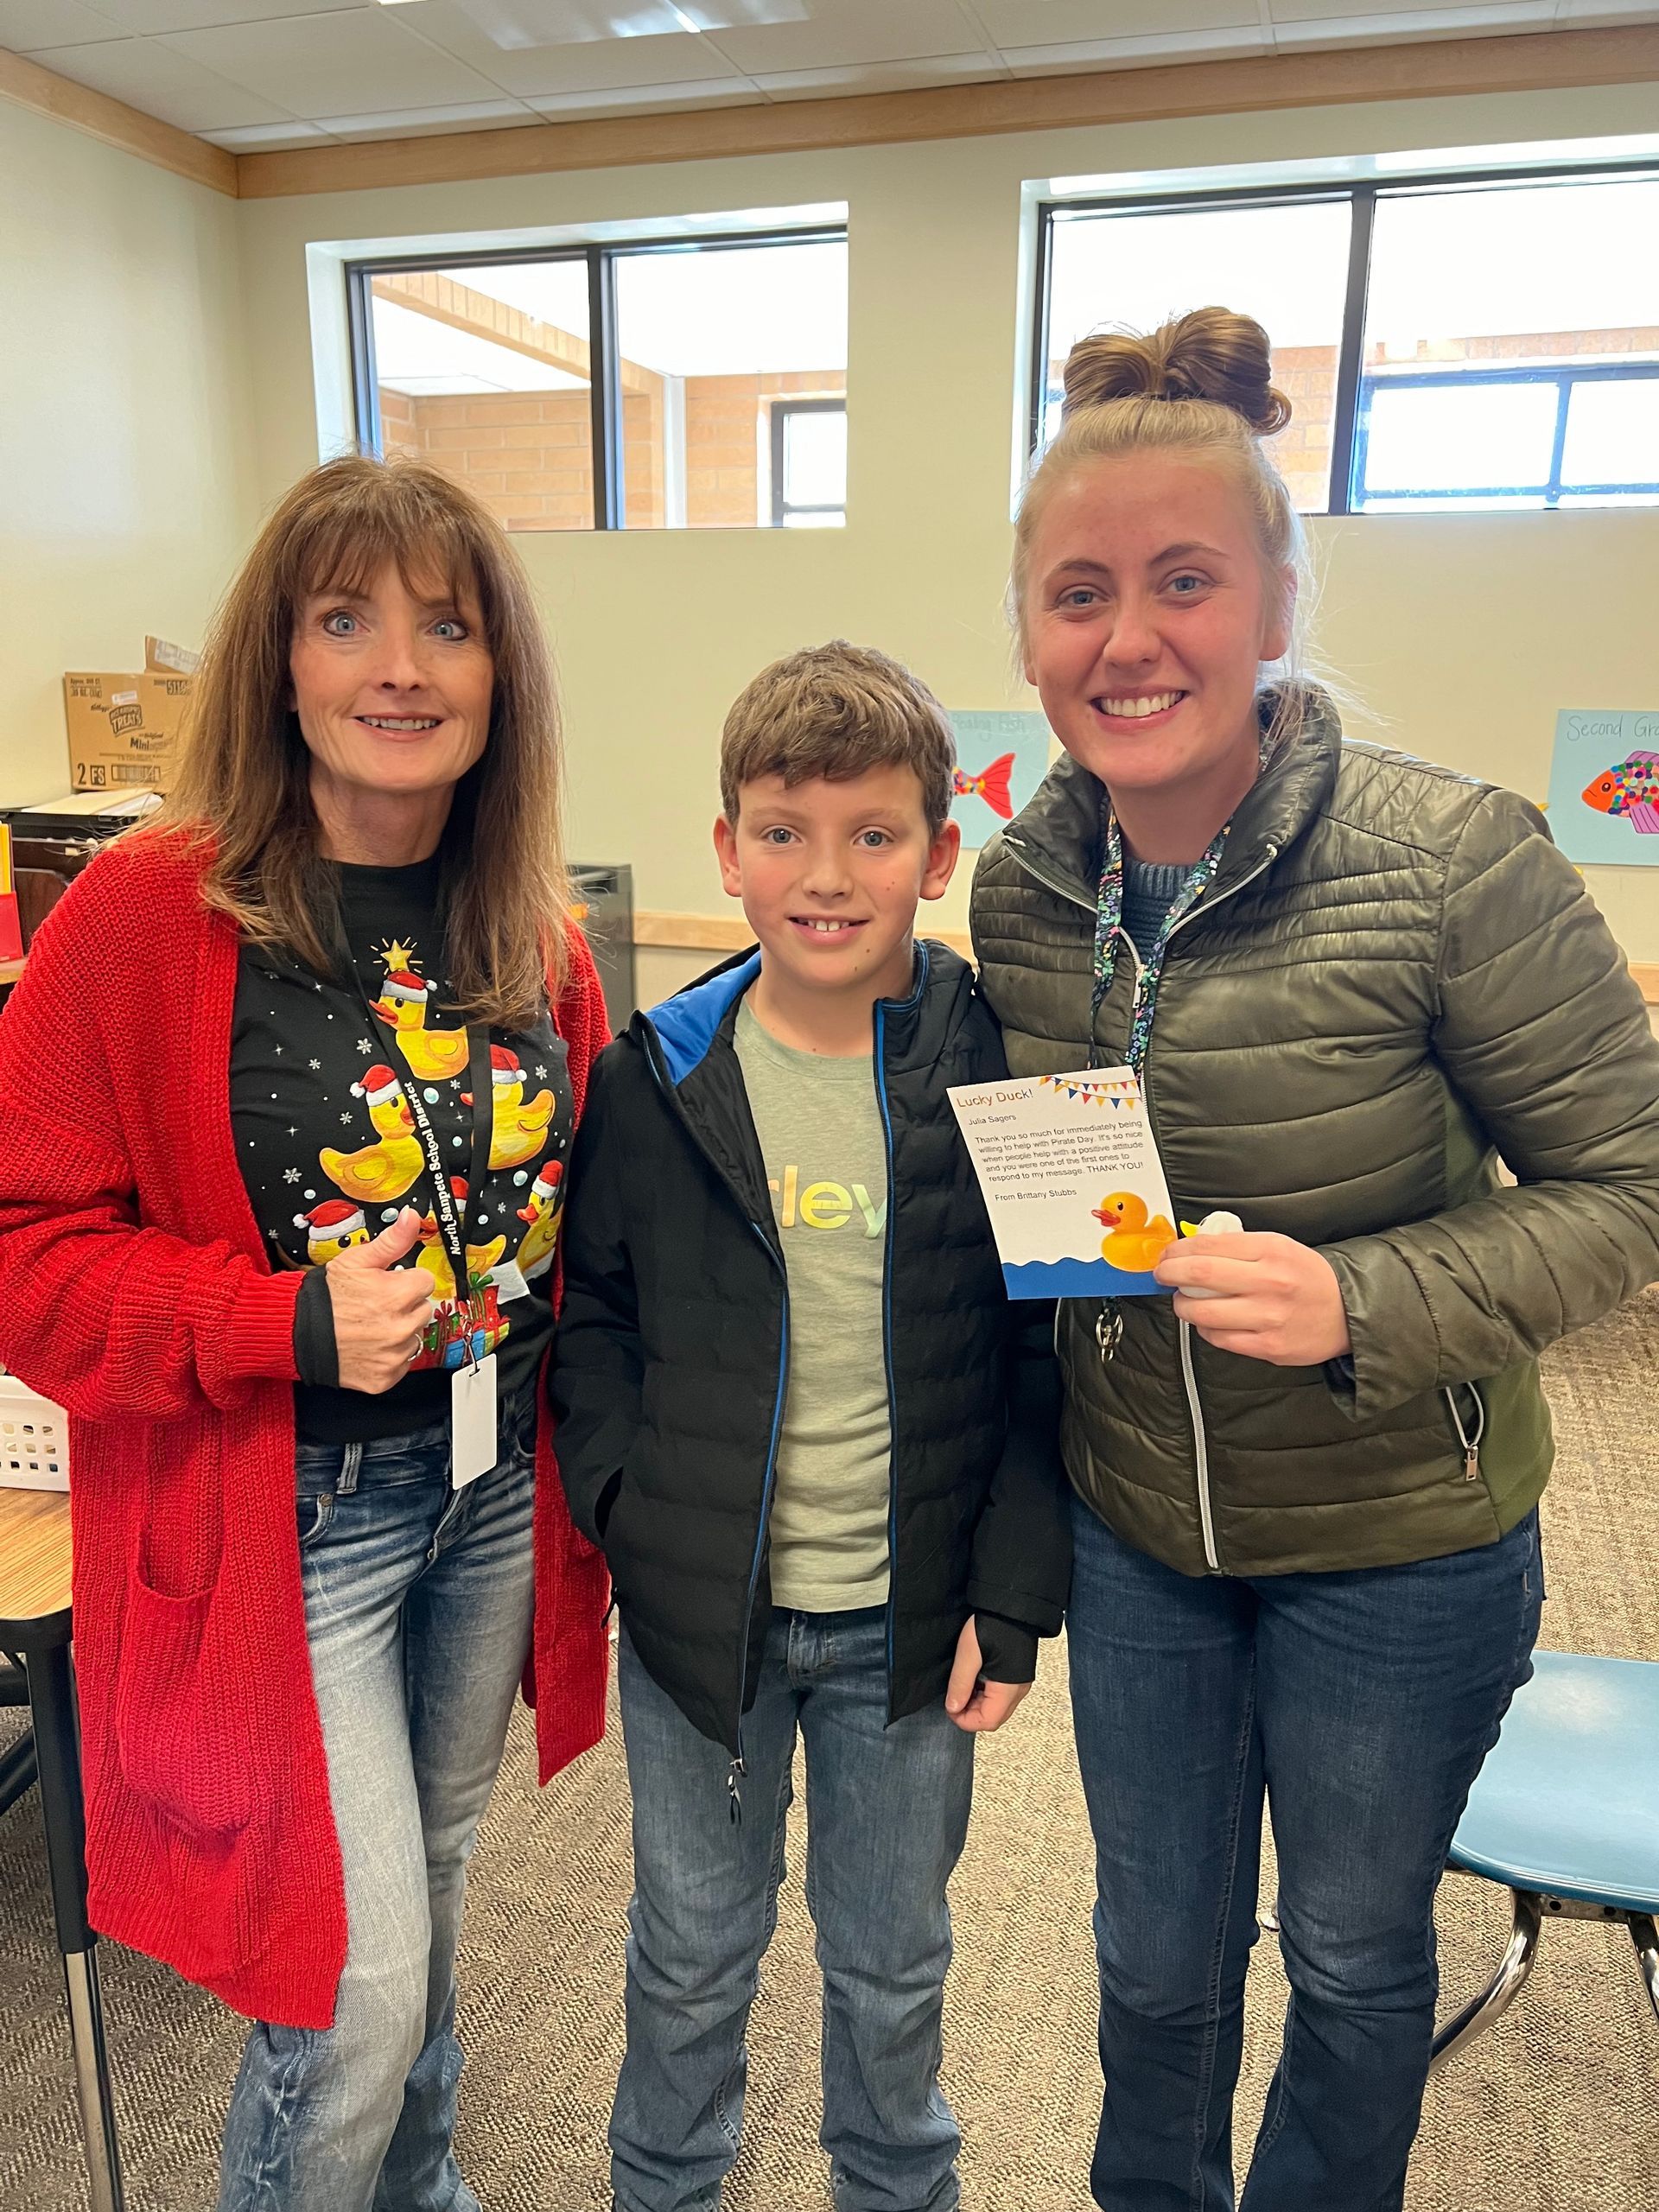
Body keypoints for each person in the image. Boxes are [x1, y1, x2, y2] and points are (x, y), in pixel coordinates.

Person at [969, 308, 1659, 2211]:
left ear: (1276, 595)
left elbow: (1633, 1177)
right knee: (1151, 1960)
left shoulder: (1454, 859)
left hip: (1400, 1543)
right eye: (1080, 592)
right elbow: (1041, 1243)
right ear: (1031, 631)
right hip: (1140, 1537)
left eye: (1186, 580)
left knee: (1356, 1960)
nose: (1130, 639)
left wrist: (1366, 1299)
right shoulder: (1019, 892)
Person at [0, 454, 612, 2212]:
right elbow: (23, 1253)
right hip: (285, 1526)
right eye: (346, 620)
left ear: (501, 674)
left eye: (445, 623)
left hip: (485, 1491)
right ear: (281, 661)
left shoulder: (530, 929)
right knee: (345, 1986)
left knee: (428, 1890)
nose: (398, 666)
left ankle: (415, 2187)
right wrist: (268, 1317)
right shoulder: (145, 911)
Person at [551, 641, 1071, 2212]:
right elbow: (596, 1324)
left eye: (873, 835)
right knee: (693, 1955)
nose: (826, 876)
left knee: (892, 1960)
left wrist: (1016, 1596)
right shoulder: (659, 1074)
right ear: (727, 849)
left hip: (910, 1636)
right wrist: (629, 1511)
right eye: (782, 832)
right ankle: (665, 2188)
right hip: (702, 1624)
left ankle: (896, 2188)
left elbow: (1051, 1359)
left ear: (940, 851)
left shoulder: (1005, 1067)